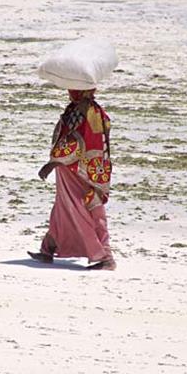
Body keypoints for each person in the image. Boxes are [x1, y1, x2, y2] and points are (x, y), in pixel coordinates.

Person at [28, 88, 116, 270]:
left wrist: (54, 162)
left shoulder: (87, 111)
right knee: (68, 206)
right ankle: (49, 248)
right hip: (87, 169)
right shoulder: (88, 109)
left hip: (78, 169)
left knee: (78, 208)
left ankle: (103, 255)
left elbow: (78, 139)